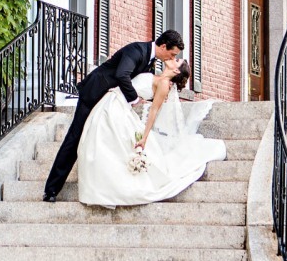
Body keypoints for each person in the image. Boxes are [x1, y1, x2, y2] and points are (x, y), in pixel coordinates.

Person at [43, 30, 185, 201]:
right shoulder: (137, 50)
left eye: (175, 57)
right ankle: (51, 190)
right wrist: (134, 99)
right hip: (95, 93)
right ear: (163, 46)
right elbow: (121, 74)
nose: (171, 58)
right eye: (172, 54)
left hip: (112, 102)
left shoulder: (151, 61)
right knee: (75, 137)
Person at [77, 59, 226, 207]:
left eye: (177, 60)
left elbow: (154, 111)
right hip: (114, 102)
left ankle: (107, 188)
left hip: (118, 107)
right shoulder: (157, 76)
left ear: (176, 70)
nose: (174, 58)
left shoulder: (164, 85)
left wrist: (144, 137)